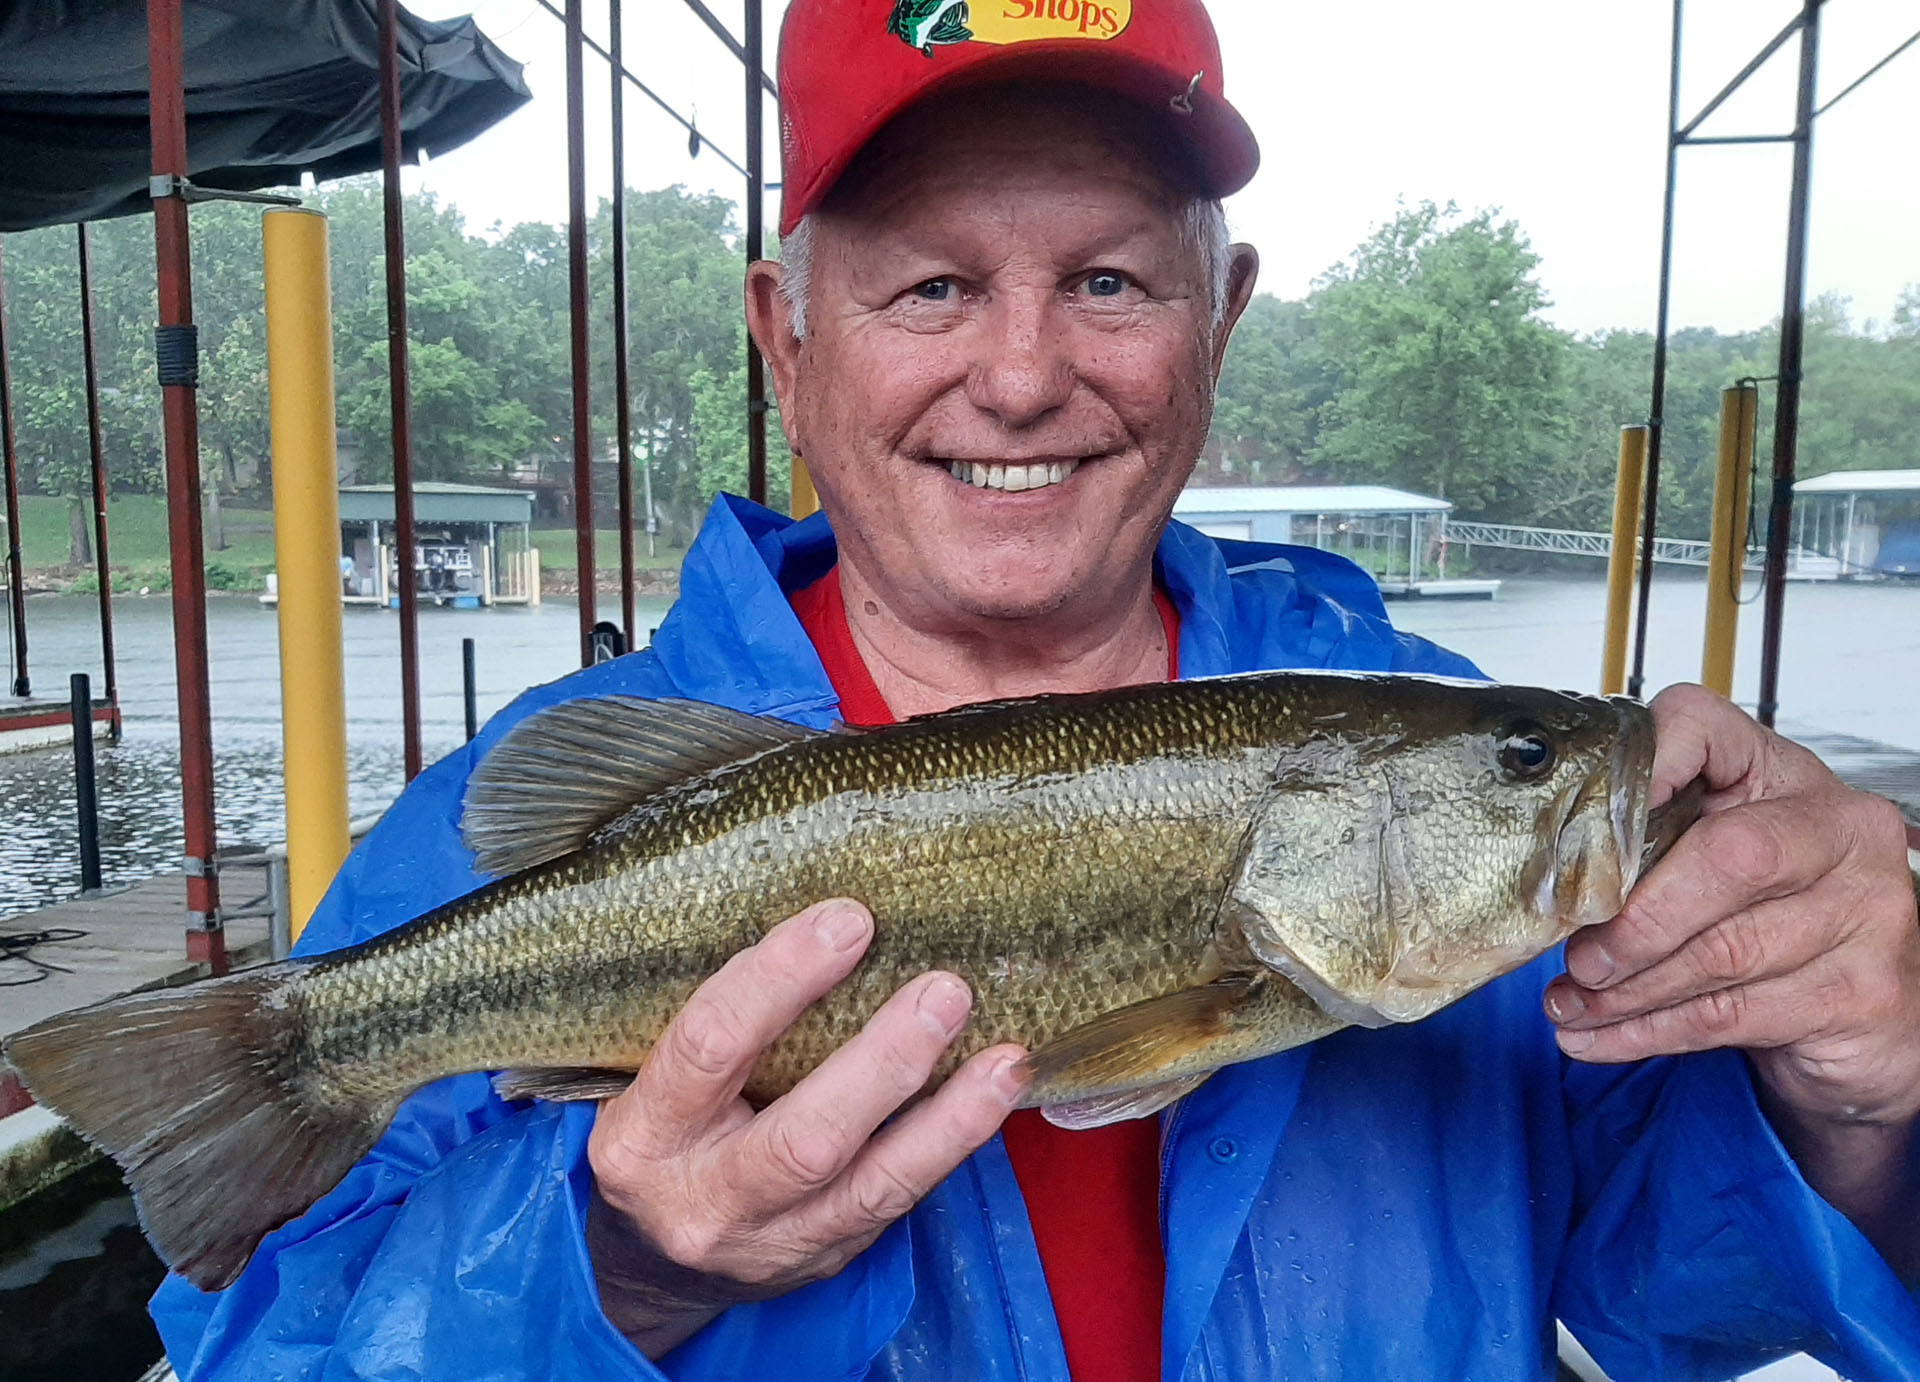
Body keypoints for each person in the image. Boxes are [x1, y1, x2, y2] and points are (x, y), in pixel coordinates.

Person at [153, 1, 1920, 1377]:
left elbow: (1685, 1296)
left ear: (1218, 314)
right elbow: (272, 1348)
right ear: (785, 335)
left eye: (1106, 279)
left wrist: (1854, 1092)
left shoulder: (1442, 772)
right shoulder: (521, 813)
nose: (1022, 372)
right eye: (932, 284)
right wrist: (626, 1260)